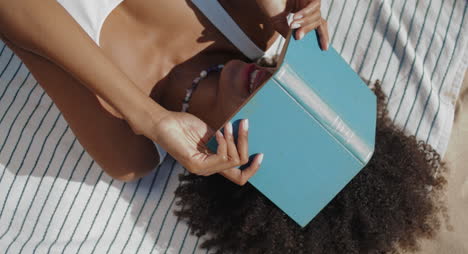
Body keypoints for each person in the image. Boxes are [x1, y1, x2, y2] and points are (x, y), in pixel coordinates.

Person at [0, 0, 328, 183]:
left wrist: (151, 118)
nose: (274, 82)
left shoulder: (130, 150)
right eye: (299, 88)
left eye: (280, 113)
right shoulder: (255, 23)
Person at [174, 82, 448, 254]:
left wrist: (151, 122)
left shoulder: (138, 155)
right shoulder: (254, 25)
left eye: (289, 136)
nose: (289, 101)